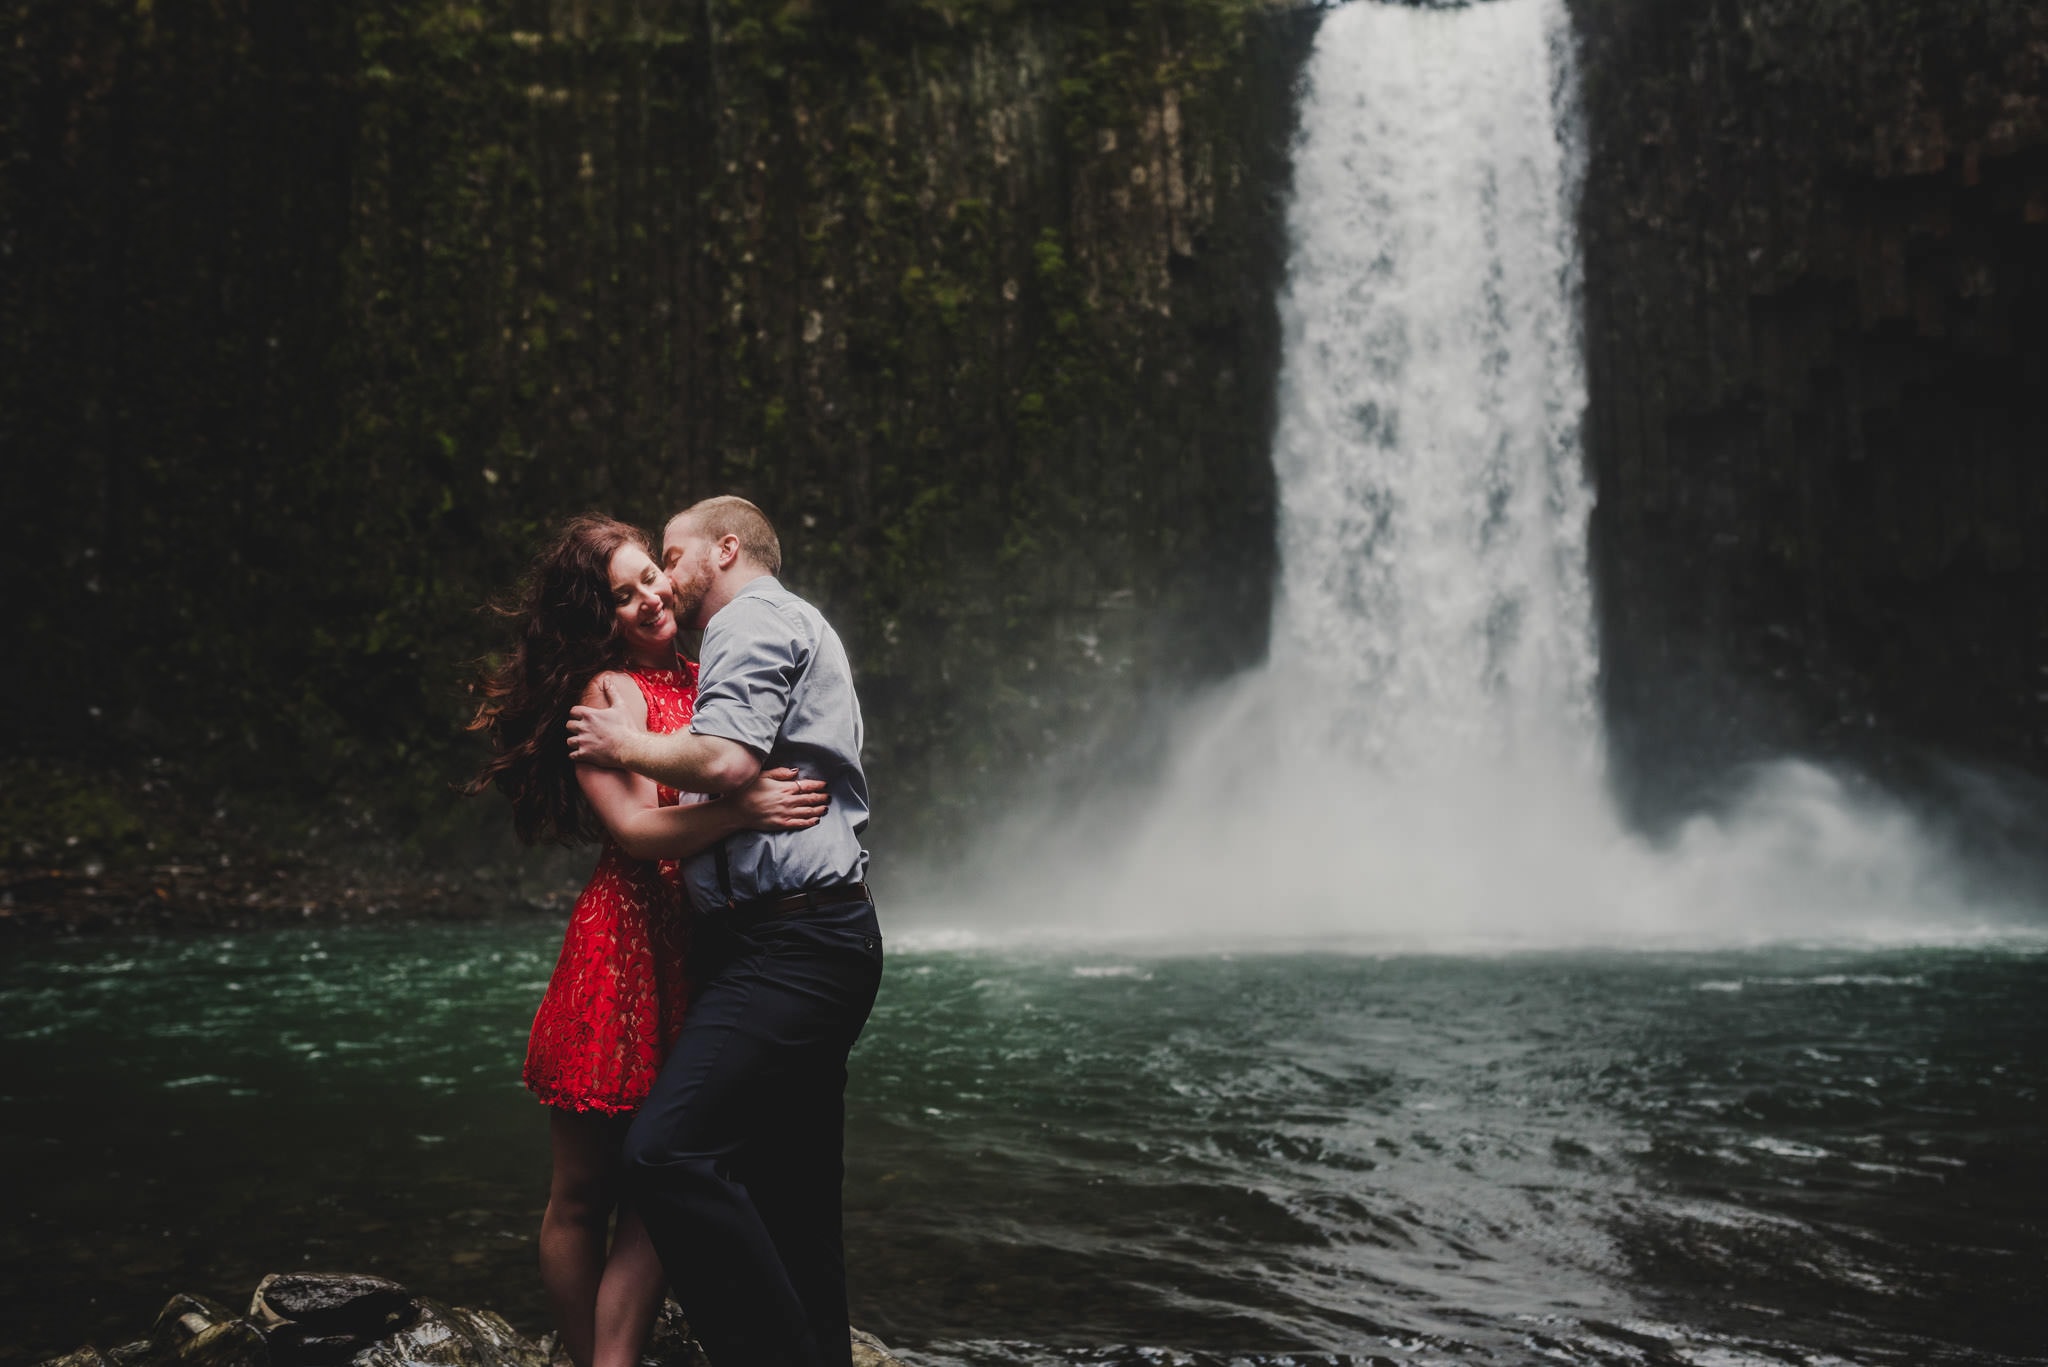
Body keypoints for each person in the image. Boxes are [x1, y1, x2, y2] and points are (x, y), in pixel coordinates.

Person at [467, 513, 832, 1367]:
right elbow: (635, 830)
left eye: (650, 578)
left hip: (703, 948)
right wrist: (742, 807)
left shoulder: (709, 675)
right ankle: (592, 1352)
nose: (649, 599)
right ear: (596, 618)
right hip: (623, 949)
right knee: (586, 1190)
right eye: (621, 596)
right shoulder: (606, 694)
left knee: (670, 1171)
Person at [566, 495, 880, 1367]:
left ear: (726, 549)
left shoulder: (748, 620)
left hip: (792, 943)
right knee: (796, 1193)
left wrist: (624, 743)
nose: (665, 578)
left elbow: (728, 760)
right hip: (801, 938)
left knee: (666, 1154)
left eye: (670, 555)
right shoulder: (763, 630)